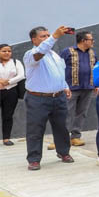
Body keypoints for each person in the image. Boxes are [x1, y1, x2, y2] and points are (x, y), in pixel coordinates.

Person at [23, 25, 75, 170]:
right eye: (43, 36)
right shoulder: (31, 54)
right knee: (35, 129)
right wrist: (55, 36)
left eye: (47, 35)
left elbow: (59, 73)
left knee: (62, 127)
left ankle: (64, 152)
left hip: (58, 97)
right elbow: (40, 53)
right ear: (34, 40)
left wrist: (65, 86)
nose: (47, 38)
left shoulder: (55, 55)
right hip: (38, 99)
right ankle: (34, 159)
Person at [58, 30, 96, 147]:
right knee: (66, 113)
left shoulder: (92, 53)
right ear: (83, 41)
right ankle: (60, 139)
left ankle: (75, 136)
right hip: (70, 88)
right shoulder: (67, 52)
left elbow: (96, 68)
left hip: (88, 88)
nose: (93, 42)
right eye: (91, 39)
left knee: (82, 113)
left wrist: (96, 85)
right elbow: (58, 68)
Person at [0, 43, 26, 145]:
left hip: (11, 91)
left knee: (8, 115)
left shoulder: (16, 62)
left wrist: (8, 82)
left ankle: (6, 138)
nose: (7, 53)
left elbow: (21, 75)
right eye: (4, 51)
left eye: (9, 51)